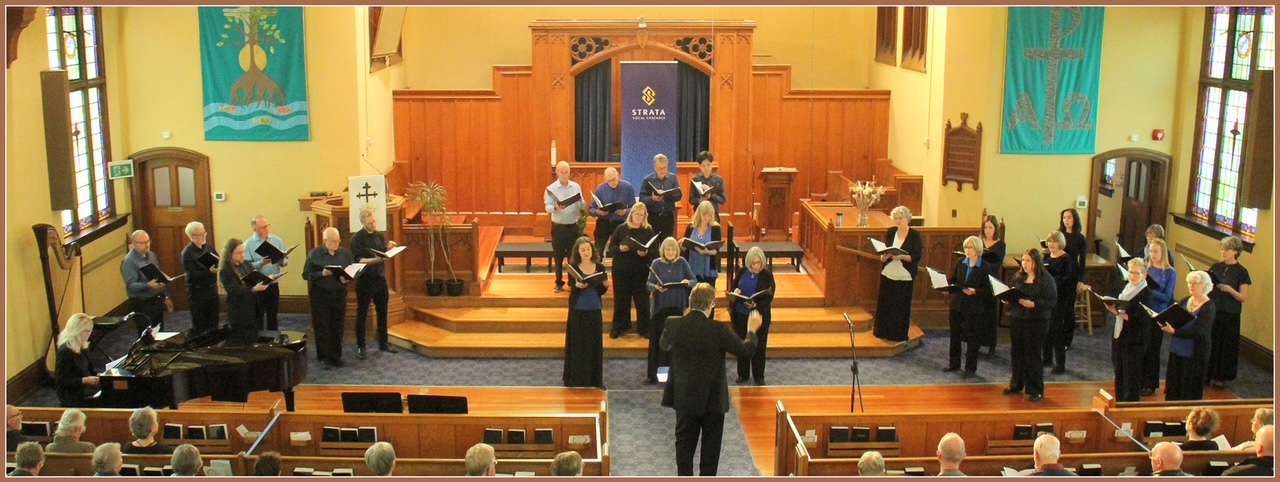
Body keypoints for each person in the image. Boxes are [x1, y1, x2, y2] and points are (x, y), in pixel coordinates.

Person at [660, 283, 760, 476]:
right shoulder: (718, 330)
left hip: (684, 397)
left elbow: (664, 345)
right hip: (712, 402)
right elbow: (745, 351)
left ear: (690, 303)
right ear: (711, 304)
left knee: (684, 449)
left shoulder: (673, 324)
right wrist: (751, 331)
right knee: (710, 454)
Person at [1003, 249, 1057, 403]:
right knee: (1017, 352)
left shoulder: (1046, 279)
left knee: (1032, 355)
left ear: (1036, 262)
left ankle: (1035, 389)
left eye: (1028, 261)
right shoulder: (1019, 276)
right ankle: (1016, 384)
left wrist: (1033, 304)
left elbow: (1051, 301)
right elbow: (1012, 292)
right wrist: (1007, 298)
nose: (1024, 264)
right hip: (1018, 318)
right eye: (1023, 260)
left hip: (1036, 321)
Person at [351, 205, 401, 358]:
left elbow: (382, 253)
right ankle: (361, 346)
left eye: (374, 221)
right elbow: (359, 260)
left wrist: (389, 249)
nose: (373, 224)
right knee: (362, 313)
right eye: (370, 223)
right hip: (365, 280)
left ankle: (383, 342)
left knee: (382, 311)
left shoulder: (379, 235)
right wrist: (376, 260)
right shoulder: (357, 238)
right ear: (363, 223)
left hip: (380, 278)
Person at [303, 227, 355, 369]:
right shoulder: (315, 254)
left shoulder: (345, 254)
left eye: (338, 241)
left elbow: (352, 271)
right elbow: (306, 274)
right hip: (320, 294)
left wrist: (348, 279)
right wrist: (322, 274)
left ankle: (336, 356)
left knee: (338, 325)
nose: (336, 244)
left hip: (339, 294)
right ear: (325, 240)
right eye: (333, 241)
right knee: (322, 326)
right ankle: (323, 357)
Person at [647, 237, 695, 384]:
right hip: (660, 309)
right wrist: (656, 287)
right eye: (668, 249)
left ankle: (678, 375)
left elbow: (694, 281)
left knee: (677, 343)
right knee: (658, 341)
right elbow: (648, 284)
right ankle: (653, 375)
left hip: (678, 308)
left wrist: (688, 282)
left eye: (673, 249)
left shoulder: (682, 262)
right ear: (663, 250)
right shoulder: (656, 263)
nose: (670, 252)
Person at [1162, 271, 1216, 401]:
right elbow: (1175, 318)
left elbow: (1198, 332)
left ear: (1205, 286)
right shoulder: (1185, 300)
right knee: (1174, 384)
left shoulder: (1209, 307)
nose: (1191, 286)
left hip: (1195, 353)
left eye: (1195, 283)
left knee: (1188, 388)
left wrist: (1174, 332)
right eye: (1189, 283)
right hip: (1177, 349)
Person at [945, 236, 994, 378]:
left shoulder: (985, 267)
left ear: (977, 249)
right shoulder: (960, 262)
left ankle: (970, 368)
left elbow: (989, 290)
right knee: (955, 335)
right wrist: (946, 287)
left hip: (974, 307)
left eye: (970, 247)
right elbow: (953, 280)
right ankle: (954, 363)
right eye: (966, 247)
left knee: (973, 338)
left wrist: (975, 291)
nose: (967, 250)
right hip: (957, 305)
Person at [872, 206, 922, 342]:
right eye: (896, 218)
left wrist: (901, 256)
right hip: (889, 271)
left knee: (900, 305)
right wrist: (884, 256)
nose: (898, 221)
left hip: (904, 273)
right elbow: (887, 249)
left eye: (901, 218)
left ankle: (898, 334)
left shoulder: (915, 235)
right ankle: (883, 331)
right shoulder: (891, 232)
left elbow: (916, 256)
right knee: (886, 303)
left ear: (907, 219)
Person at [563, 237, 608, 389]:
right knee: (577, 345)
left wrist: (605, 286)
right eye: (583, 250)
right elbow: (571, 286)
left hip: (594, 309)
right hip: (578, 310)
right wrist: (576, 286)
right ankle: (575, 379)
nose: (586, 252)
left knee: (594, 345)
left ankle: (596, 380)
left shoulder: (600, 267)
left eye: (588, 249)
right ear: (578, 252)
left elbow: (600, 291)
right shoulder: (573, 267)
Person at [1207, 235, 1251, 388]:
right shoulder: (1216, 267)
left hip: (1229, 314)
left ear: (1236, 252)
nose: (1223, 252)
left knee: (1225, 346)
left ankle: (1221, 377)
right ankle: (1207, 373)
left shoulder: (1241, 272)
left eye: (1227, 249)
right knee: (1211, 342)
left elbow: (1243, 297)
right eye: (1222, 249)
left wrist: (1230, 290)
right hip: (1214, 309)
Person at [1106, 258, 1152, 402]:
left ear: (1144, 275)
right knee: (1119, 371)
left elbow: (1140, 319)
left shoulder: (1146, 294)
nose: (1132, 276)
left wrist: (1116, 312)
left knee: (1131, 376)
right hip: (1120, 335)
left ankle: (1130, 406)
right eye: (1130, 272)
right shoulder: (1127, 287)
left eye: (1137, 273)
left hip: (1134, 340)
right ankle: (1120, 403)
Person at [606, 202, 655, 339]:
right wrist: (620, 249)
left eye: (642, 215)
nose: (639, 217)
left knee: (642, 300)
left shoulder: (648, 230)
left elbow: (655, 251)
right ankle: (620, 326)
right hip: (622, 270)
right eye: (637, 214)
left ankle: (644, 328)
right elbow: (611, 248)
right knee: (621, 299)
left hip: (641, 270)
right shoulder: (621, 229)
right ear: (631, 214)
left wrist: (646, 253)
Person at [731, 246, 775, 385]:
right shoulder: (742, 271)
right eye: (753, 263)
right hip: (741, 314)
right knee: (742, 344)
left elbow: (769, 296)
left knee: (759, 347)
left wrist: (756, 305)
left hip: (759, 316)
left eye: (759, 263)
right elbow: (733, 287)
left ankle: (758, 375)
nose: (756, 266)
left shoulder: (767, 275)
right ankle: (743, 374)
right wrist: (736, 292)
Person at [1142, 238, 1178, 396]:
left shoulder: (1170, 273)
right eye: (1151, 251)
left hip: (1158, 314)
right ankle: (1139, 380)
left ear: (1163, 253)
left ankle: (1150, 383)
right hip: (1143, 312)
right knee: (1142, 347)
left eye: (1156, 251)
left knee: (1152, 349)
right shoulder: (1147, 269)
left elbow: (1167, 297)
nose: (1153, 254)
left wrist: (1149, 289)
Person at [546, 161, 586, 293]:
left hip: (573, 226)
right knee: (558, 256)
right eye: (562, 172)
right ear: (557, 173)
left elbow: (582, 206)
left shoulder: (576, 187)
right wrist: (556, 207)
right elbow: (547, 207)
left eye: (566, 172)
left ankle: (572, 281)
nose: (564, 174)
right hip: (559, 227)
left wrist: (581, 202)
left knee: (572, 255)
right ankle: (558, 282)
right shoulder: (551, 189)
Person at [120, 229, 172, 332]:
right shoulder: (129, 261)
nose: (147, 245)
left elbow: (159, 277)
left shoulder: (152, 255)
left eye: (148, 241)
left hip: (156, 301)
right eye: (143, 243)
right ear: (134, 243)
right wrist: (147, 285)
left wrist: (166, 296)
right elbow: (131, 286)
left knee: (159, 332)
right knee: (146, 334)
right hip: (142, 303)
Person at [244, 215, 290, 331]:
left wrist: (281, 261)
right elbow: (246, 267)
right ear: (255, 229)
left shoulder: (276, 240)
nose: (266, 229)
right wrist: (261, 263)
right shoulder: (249, 244)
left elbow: (285, 259)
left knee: (272, 314)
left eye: (267, 226)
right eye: (262, 227)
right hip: (258, 284)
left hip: (273, 283)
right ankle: (259, 338)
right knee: (258, 315)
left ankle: (273, 337)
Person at [220, 238, 268, 347]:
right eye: (238, 253)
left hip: (252, 308)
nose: (242, 255)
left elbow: (254, 278)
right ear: (229, 254)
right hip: (239, 311)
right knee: (241, 342)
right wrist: (253, 289)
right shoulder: (226, 270)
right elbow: (233, 289)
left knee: (254, 338)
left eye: (243, 252)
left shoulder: (246, 264)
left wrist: (265, 280)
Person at [1042, 231, 1077, 375]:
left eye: (1054, 241)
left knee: (1057, 331)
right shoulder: (1047, 257)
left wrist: (1050, 279)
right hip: (1047, 297)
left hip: (1061, 298)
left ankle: (1060, 364)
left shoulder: (1066, 259)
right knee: (1047, 329)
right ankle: (1047, 358)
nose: (1051, 244)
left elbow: (1066, 279)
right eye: (1049, 241)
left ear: (1060, 243)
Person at [180, 221, 220, 334]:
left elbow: (217, 259)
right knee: (201, 324)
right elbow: (192, 275)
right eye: (200, 234)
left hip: (212, 289)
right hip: (198, 292)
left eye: (204, 233)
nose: (203, 236)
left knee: (214, 322)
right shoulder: (187, 253)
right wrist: (209, 271)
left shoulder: (208, 247)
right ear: (192, 236)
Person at [55, 313, 99, 407]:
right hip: (72, 394)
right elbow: (62, 381)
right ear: (76, 331)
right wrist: (84, 380)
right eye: (86, 331)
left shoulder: (83, 346)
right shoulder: (65, 351)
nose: (89, 334)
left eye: (90, 330)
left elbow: (90, 369)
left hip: (85, 387)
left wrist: (98, 375)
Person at [590, 167, 635, 256]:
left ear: (618, 176)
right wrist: (598, 212)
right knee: (598, 250)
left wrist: (625, 212)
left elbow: (633, 208)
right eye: (609, 181)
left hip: (620, 222)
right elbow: (591, 209)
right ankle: (598, 264)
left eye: (613, 179)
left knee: (622, 249)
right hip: (604, 222)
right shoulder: (601, 189)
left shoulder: (627, 187)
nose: (612, 183)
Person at [1058, 208, 1086, 350]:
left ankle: (1066, 340)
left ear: (1074, 219)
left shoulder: (1080, 238)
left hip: (1072, 274)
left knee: (1068, 308)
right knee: (1058, 306)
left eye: (1069, 217)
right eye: (1064, 218)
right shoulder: (1059, 235)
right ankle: (1055, 336)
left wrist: (1080, 280)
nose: (1066, 220)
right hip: (1059, 272)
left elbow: (1083, 261)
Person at [978, 214, 1006, 357]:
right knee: (978, 313)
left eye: (990, 227)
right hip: (978, 280)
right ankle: (976, 343)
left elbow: (997, 264)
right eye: (986, 227)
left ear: (995, 229)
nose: (988, 230)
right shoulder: (978, 242)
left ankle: (991, 347)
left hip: (991, 281)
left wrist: (983, 264)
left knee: (990, 314)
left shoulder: (1000, 245)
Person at [640, 153, 682, 244]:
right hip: (653, 217)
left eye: (664, 168)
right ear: (655, 167)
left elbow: (679, 196)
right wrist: (652, 199)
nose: (662, 170)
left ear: (667, 166)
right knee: (653, 244)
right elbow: (642, 199)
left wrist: (667, 194)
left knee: (667, 243)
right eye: (659, 168)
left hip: (668, 216)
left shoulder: (673, 178)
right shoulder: (648, 180)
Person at [683, 200, 722, 285]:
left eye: (709, 215)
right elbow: (684, 248)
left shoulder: (715, 228)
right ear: (699, 214)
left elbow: (716, 250)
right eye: (704, 214)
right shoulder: (691, 227)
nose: (706, 217)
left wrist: (707, 252)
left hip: (708, 267)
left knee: (707, 291)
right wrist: (681, 244)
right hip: (692, 265)